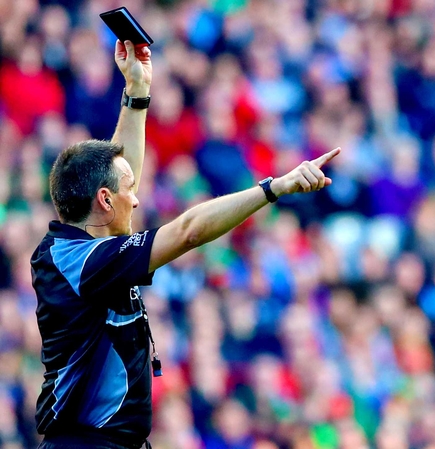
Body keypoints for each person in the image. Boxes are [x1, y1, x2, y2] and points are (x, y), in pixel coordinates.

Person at [30, 41, 340, 449]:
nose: (136, 199)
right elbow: (188, 231)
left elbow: (120, 174)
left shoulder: (77, 248)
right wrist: (273, 188)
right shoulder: (83, 261)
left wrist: (137, 92)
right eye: (128, 191)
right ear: (104, 200)